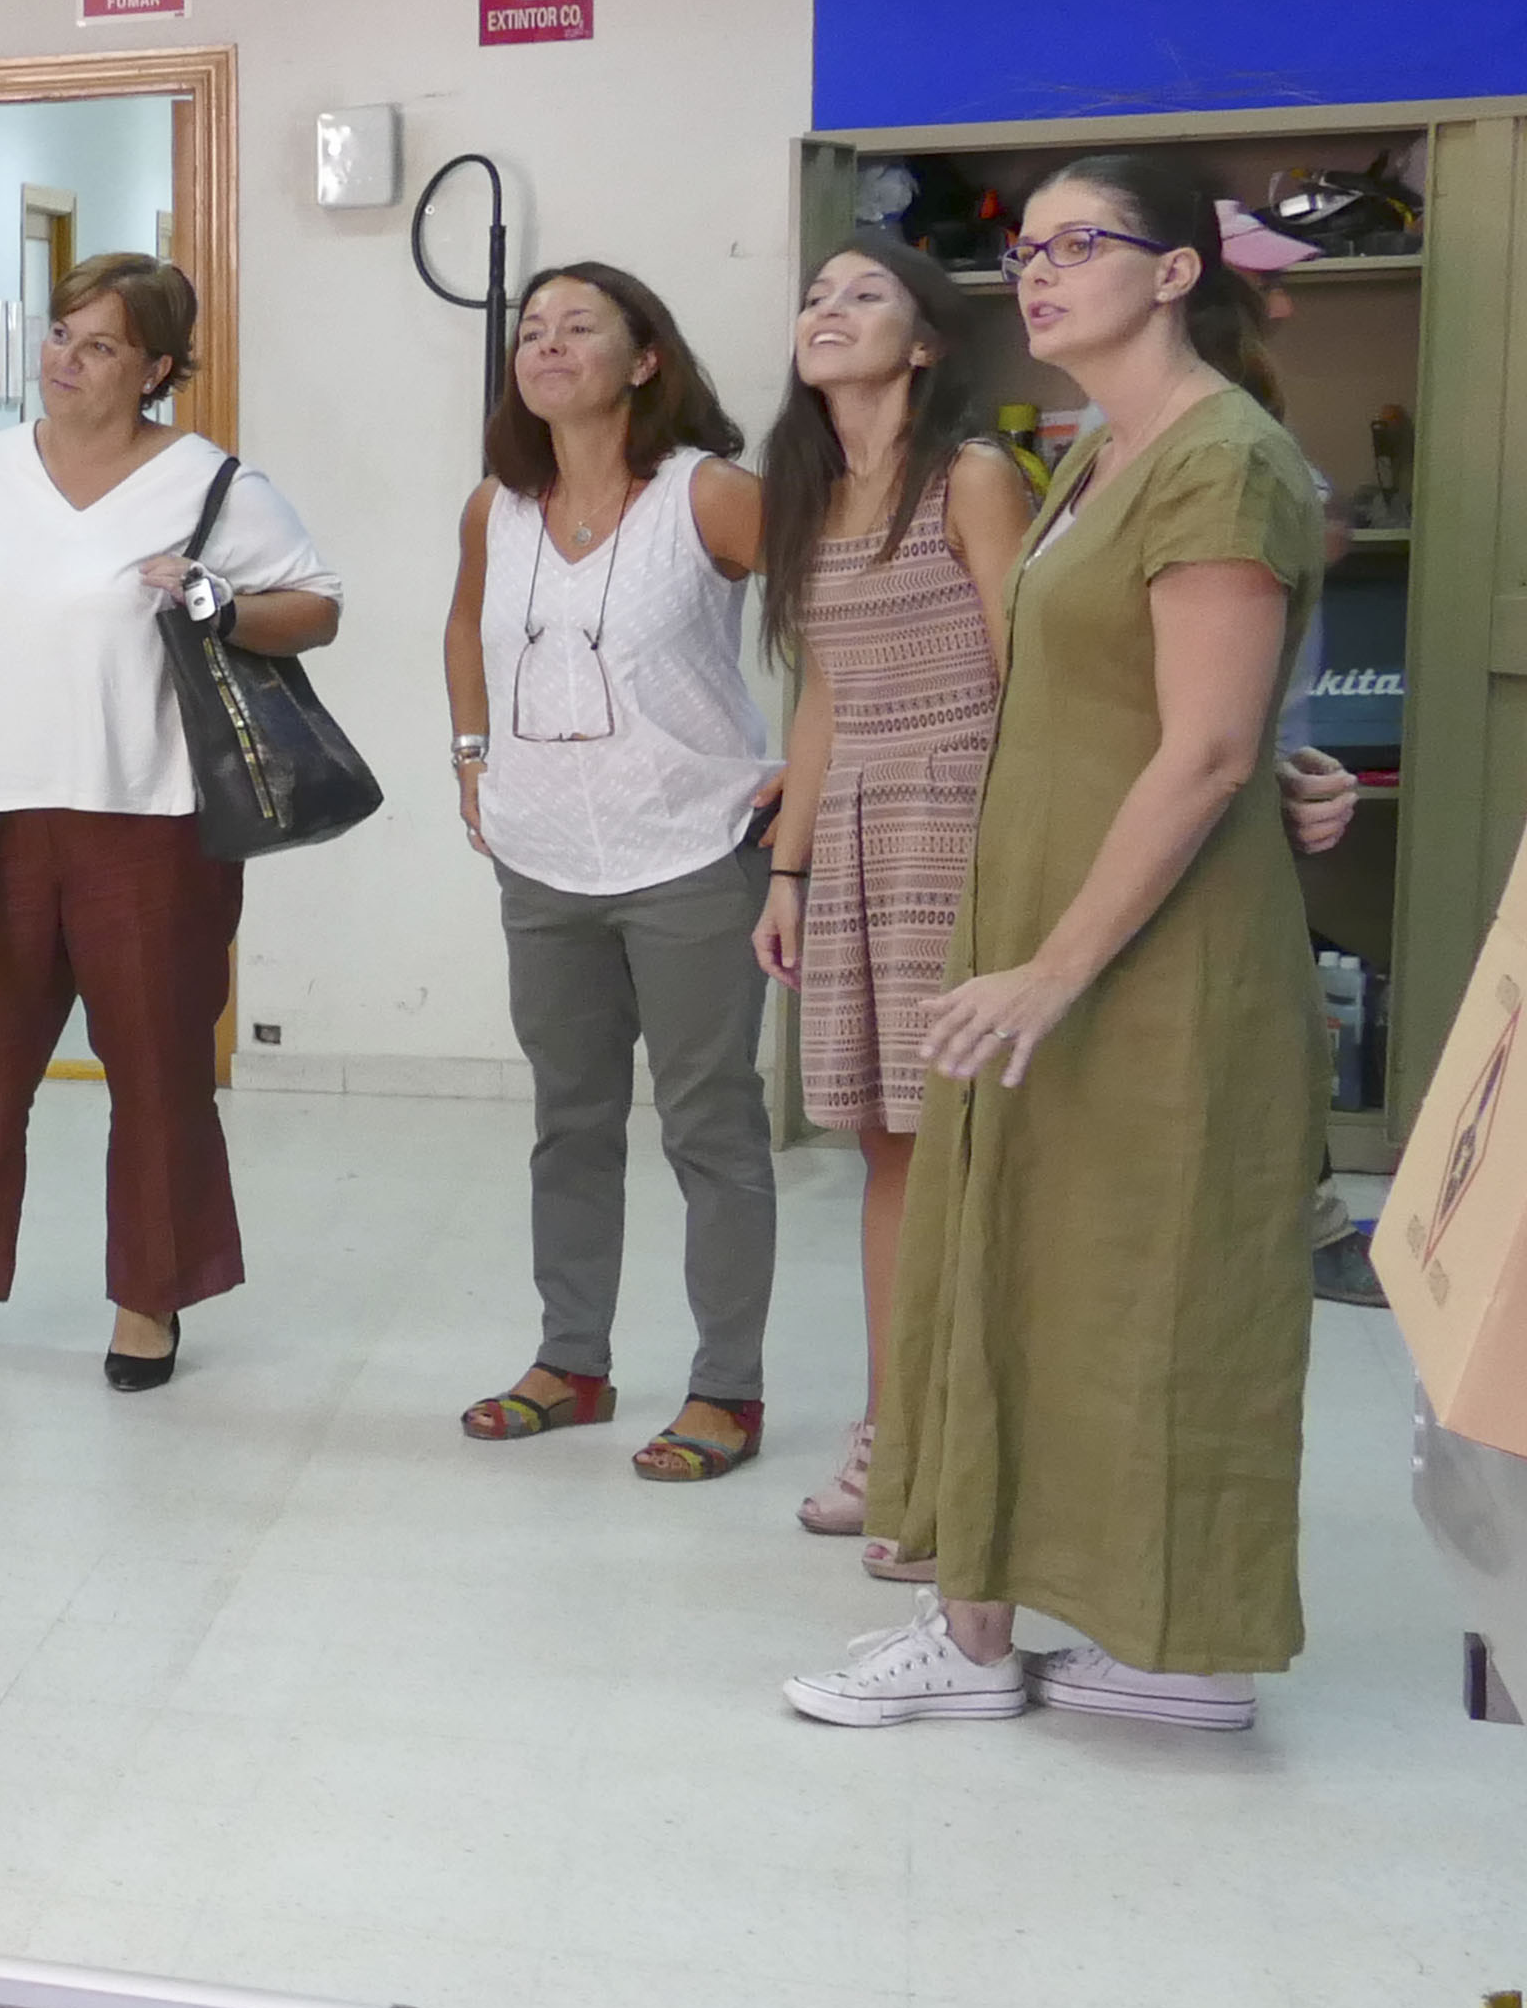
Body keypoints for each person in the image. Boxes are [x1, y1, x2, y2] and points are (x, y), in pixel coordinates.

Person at [790, 156, 1326, 1735]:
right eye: (1025, 250)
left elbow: (1206, 750)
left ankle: (1175, 1644)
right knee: (1015, 1263)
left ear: (1176, 273)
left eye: (1079, 244)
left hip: (1145, 955)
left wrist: (1056, 967)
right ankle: (986, 1621)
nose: (1037, 271)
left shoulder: (1223, 456)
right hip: (1049, 914)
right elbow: (1154, 702)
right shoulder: (1102, 446)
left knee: (1155, 1284)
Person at [0, 257, 337, 1390]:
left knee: (157, 1069)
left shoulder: (209, 482)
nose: (65, 361)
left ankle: (150, 1298)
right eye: (58, 335)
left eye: (100, 346)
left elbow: (315, 607)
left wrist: (216, 599)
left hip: (150, 818)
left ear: (157, 369)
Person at [440, 264, 782, 1482]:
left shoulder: (709, 495)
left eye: (577, 326)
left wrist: (809, 772)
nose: (546, 345)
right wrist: (471, 754)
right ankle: (571, 1362)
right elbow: (465, 622)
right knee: (570, 1120)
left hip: (692, 850)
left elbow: (836, 616)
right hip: (542, 859)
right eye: (531, 330)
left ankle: (726, 1388)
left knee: (709, 1126)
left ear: (645, 360)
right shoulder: (497, 507)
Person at [747, 233, 1024, 1545]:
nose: (829, 310)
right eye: (817, 295)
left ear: (923, 346)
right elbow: (824, 699)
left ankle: (966, 1459)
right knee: (883, 1138)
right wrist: (788, 870)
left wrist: (1023, 854)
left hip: (958, 814)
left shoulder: (971, 476)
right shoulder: (808, 496)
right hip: (857, 823)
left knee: (963, 1138)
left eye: (865, 296)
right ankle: (892, 1435)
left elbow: (1032, 668)